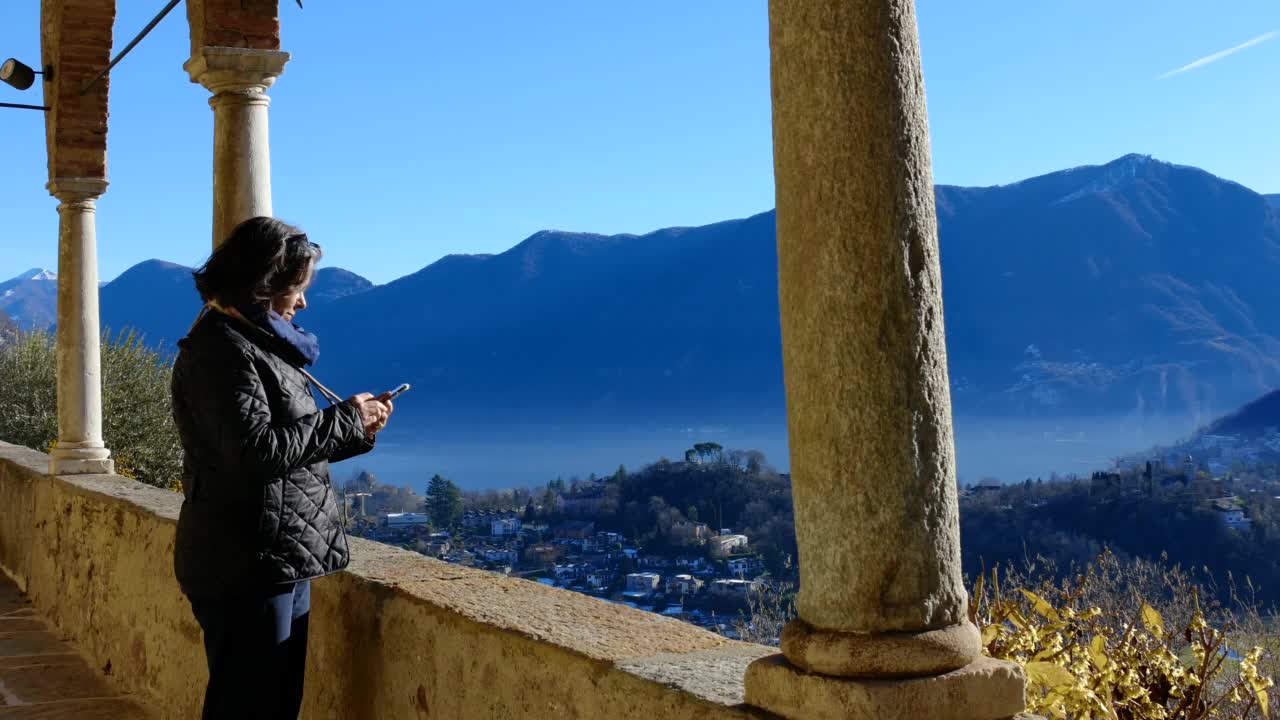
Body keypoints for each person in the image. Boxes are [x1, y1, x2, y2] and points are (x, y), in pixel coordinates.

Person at [170, 216, 393, 719]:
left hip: (276, 557)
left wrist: (358, 427)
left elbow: (287, 450)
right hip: (243, 563)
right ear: (263, 288)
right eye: (298, 288)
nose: (304, 303)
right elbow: (255, 453)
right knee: (247, 705)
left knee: (272, 704)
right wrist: (343, 420)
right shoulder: (221, 352)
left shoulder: (256, 346)